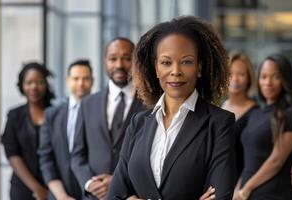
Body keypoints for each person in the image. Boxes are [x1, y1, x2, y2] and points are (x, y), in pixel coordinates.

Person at [107, 16, 237, 200]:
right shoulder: (139, 122)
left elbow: (220, 196)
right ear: (156, 68)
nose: (175, 71)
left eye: (186, 61)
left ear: (199, 67)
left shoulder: (219, 123)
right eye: (166, 62)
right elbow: (115, 194)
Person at [71, 38, 146, 200]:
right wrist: (90, 184)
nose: (119, 65)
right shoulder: (87, 103)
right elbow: (77, 154)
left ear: (136, 62)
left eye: (127, 59)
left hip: (133, 195)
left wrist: (118, 183)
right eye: (113, 59)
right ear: (105, 61)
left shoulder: (150, 105)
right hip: (94, 196)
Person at [237, 54, 292, 200]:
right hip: (247, 193)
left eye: (276, 77)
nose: (268, 82)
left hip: (273, 194)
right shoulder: (255, 113)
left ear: (285, 80)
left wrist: (245, 189)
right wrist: (239, 188)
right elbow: (248, 159)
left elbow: (276, 161)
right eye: (263, 76)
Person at [38, 59, 94, 200]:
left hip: (94, 193)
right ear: (68, 80)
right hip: (59, 193)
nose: (81, 83)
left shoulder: (101, 113)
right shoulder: (52, 114)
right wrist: (61, 196)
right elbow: (46, 158)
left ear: (92, 81)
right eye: (76, 78)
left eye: (85, 78)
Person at [1, 62, 55, 200]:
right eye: (29, 82)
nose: (34, 87)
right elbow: (12, 154)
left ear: (46, 84)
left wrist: (50, 187)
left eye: (39, 82)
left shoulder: (57, 114)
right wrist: (37, 188)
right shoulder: (14, 115)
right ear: (22, 85)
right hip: (23, 187)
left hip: (54, 185)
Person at [221, 53, 258, 199]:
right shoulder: (220, 108)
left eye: (241, 74)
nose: (235, 79)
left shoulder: (256, 113)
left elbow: (254, 158)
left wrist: (241, 189)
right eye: (230, 74)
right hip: (218, 184)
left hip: (241, 188)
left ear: (249, 78)